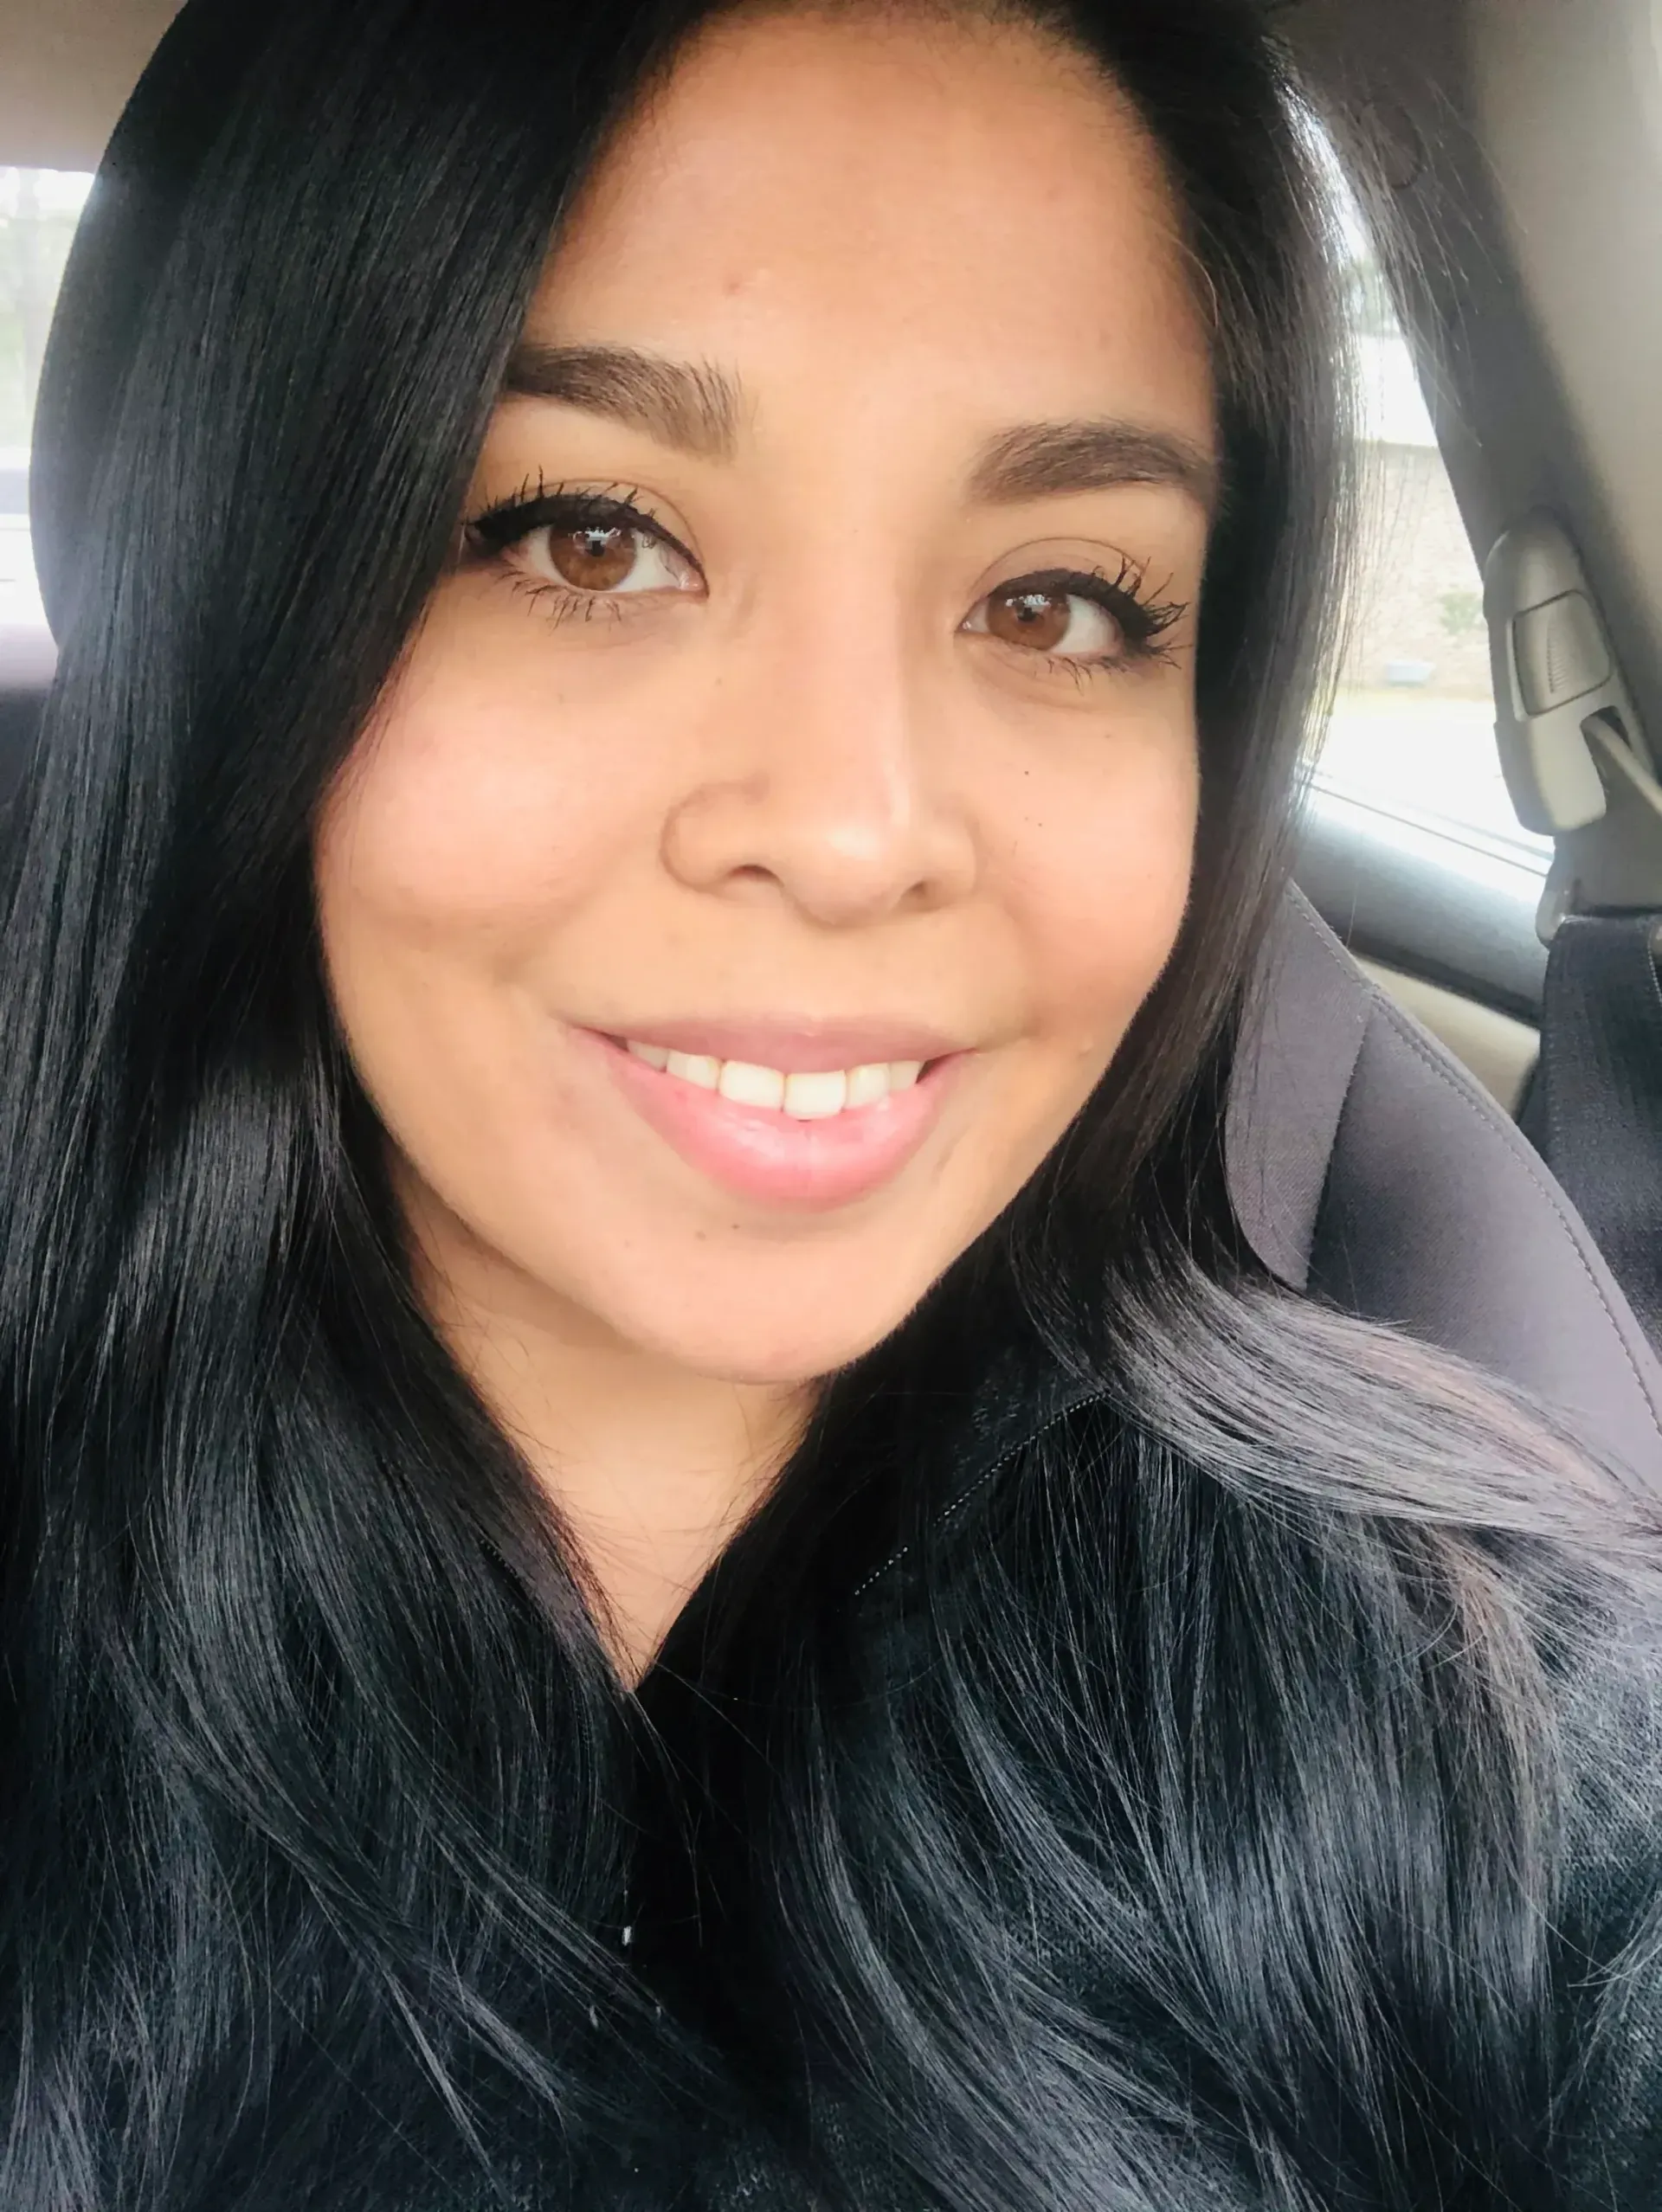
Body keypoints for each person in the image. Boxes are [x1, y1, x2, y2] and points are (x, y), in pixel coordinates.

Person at [4, 0, 1662, 2203]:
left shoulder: (1488, 1703)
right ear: (231, 602)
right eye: (590, 540)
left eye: (1057, 603)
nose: (860, 831)